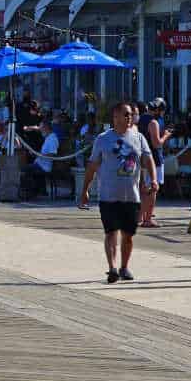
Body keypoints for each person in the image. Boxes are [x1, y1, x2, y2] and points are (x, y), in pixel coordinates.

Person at [75, 101, 149, 283]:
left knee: (128, 235)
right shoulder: (102, 139)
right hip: (108, 195)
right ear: (115, 117)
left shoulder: (138, 137)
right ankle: (112, 268)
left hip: (131, 196)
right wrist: (85, 190)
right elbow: (92, 166)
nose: (129, 117)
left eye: (131, 114)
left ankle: (124, 267)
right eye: (126, 114)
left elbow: (148, 160)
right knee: (110, 232)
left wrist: (151, 180)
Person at [136, 98, 169, 225]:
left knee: (143, 188)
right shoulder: (153, 123)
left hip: (141, 157)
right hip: (153, 159)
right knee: (153, 188)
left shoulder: (140, 120)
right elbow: (156, 144)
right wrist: (166, 135)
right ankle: (148, 219)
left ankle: (140, 217)